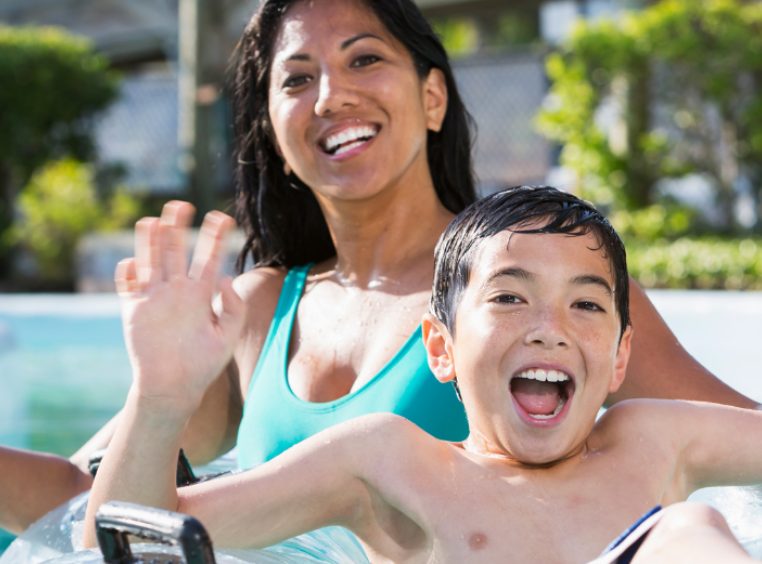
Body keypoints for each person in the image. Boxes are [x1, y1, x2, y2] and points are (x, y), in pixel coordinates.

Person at [1, 0, 758, 536]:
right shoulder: (257, 309)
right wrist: (157, 395)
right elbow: (92, 510)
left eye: (365, 58)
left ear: (433, 97)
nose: (333, 95)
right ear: (270, 123)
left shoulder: (544, 289)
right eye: (298, 79)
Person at [82, 185, 760, 562]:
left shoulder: (654, 439)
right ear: (440, 347)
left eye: (585, 303)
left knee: (689, 527)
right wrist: (162, 399)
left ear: (618, 359)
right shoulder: (393, 463)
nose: (548, 325)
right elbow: (129, 536)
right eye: (509, 297)